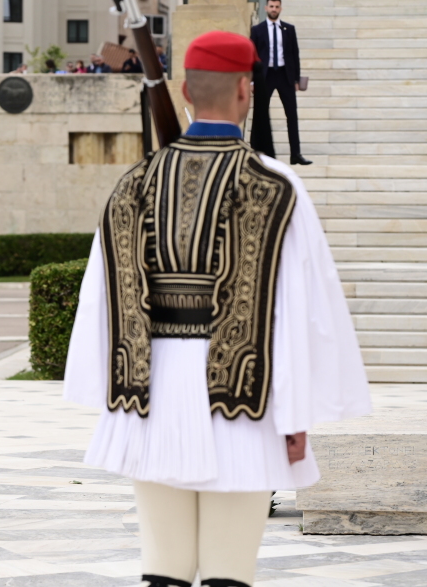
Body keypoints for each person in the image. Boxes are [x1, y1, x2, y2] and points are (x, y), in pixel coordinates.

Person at [63, 31, 371, 587]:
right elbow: (299, 309)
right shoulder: (276, 186)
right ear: (246, 91)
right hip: (244, 401)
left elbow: (102, 299)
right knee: (230, 574)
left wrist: (111, 400)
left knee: (164, 570)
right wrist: (296, 413)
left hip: (149, 399)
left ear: (186, 91)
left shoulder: (132, 184)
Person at [252, 0, 312, 165]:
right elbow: (252, 56)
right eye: (271, 6)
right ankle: (256, 151)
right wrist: (252, 81)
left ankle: (296, 154)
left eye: (277, 7)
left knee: (291, 114)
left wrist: (296, 79)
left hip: (285, 75)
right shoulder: (257, 30)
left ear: (281, 9)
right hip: (266, 76)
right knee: (260, 113)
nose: (274, 9)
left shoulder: (289, 29)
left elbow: (294, 54)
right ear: (266, 8)